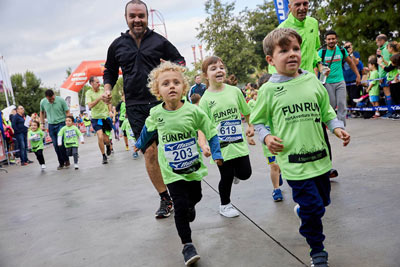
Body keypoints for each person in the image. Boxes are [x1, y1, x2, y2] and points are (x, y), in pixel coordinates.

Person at [251, 28, 351, 267]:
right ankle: (318, 252)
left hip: (320, 159)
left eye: (295, 48)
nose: (292, 54)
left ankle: (305, 212)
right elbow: (258, 121)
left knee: (322, 203)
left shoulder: (312, 81)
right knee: (313, 207)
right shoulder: (268, 90)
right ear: (270, 59)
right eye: (284, 50)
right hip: (294, 163)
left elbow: (326, 111)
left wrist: (337, 127)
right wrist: (266, 137)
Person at [102, 0, 186, 218]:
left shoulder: (159, 41)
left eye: (141, 15)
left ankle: (182, 189)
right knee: (149, 152)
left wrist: (170, 74)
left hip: (162, 103)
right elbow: (109, 70)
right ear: (126, 18)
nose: (137, 20)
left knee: (171, 147)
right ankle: (165, 199)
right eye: (133, 16)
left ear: (147, 18)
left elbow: (180, 61)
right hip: (135, 106)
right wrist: (108, 88)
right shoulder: (117, 45)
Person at [134, 61, 222, 266]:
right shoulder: (156, 113)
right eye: (165, 84)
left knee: (196, 196)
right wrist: (139, 144)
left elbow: (210, 132)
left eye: (176, 82)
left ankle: (190, 207)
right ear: (158, 91)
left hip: (193, 167)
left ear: (184, 87)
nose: (171, 86)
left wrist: (217, 153)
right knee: (180, 206)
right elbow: (148, 131)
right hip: (172, 171)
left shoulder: (194, 111)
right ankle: (187, 245)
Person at [274, 0, 338, 178]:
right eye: (297, 4)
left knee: (319, 122)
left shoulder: (313, 23)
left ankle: (326, 166)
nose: (302, 8)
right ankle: (285, 166)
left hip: (311, 82)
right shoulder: (283, 29)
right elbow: (279, 59)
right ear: (289, 6)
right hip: (291, 84)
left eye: (305, 3)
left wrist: (320, 63)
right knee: (295, 126)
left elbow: (315, 49)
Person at [198, 56, 254, 218]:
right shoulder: (205, 100)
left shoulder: (235, 91)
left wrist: (250, 126)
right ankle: (225, 205)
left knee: (245, 173)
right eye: (213, 68)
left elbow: (247, 112)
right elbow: (201, 127)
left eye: (221, 67)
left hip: (238, 143)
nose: (219, 70)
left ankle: (237, 174)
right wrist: (203, 144)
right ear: (206, 75)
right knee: (226, 176)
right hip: (220, 146)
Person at [318, 30, 361, 126]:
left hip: (340, 81)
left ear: (336, 39)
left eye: (333, 38)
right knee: (331, 105)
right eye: (329, 39)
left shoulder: (341, 50)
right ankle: (330, 123)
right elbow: (316, 66)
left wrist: (358, 75)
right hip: (327, 82)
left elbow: (350, 63)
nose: (331, 41)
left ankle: (341, 125)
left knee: (342, 104)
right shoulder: (322, 52)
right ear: (325, 40)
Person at [255, 74, 284, 202]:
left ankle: (279, 174)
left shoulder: (281, 102)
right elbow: (254, 121)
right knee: (274, 166)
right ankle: (276, 189)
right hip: (269, 143)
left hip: (283, 140)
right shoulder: (258, 105)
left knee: (281, 164)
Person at [40, 89, 70, 170]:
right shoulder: (43, 102)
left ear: (54, 95)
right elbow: (42, 112)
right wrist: (42, 124)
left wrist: (68, 121)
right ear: (46, 98)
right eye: (49, 99)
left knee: (61, 143)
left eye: (52, 98)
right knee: (56, 145)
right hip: (51, 125)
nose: (51, 100)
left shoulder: (61, 100)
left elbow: (67, 111)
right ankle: (61, 162)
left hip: (61, 123)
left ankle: (66, 160)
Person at [85, 76, 113, 164]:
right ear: (91, 83)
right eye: (97, 82)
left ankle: (108, 145)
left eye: (99, 82)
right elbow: (89, 106)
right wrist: (99, 98)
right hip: (96, 118)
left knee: (107, 139)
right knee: (100, 136)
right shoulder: (88, 93)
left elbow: (109, 101)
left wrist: (110, 111)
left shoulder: (103, 90)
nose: (99, 83)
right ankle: (103, 156)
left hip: (105, 117)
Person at [342, 41, 364, 116]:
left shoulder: (355, 54)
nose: (348, 48)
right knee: (349, 96)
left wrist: (351, 54)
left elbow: (356, 63)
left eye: (349, 46)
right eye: (346, 46)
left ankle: (356, 111)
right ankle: (351, 111)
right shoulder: (343, 54)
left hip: (354, 78)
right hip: (346, 79)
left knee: (355, 95)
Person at [376, 34, 393, 118]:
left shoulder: (386, 50)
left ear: (382, 41)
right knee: (387, 94)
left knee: (387, 93)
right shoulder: (382, 49)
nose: (377, 44)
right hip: (384, 75)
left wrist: (381, 76)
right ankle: (390, 111)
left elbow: (385, 64)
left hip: (385, 75)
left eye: (377, 42)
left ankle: (391, 111)